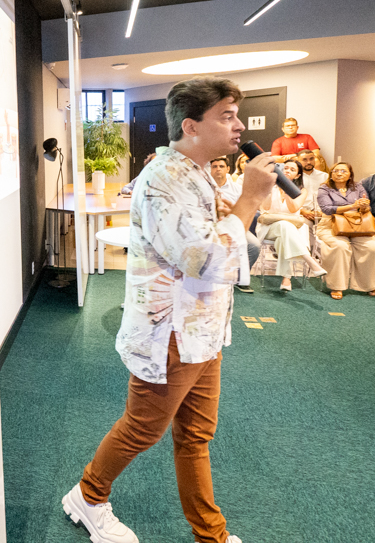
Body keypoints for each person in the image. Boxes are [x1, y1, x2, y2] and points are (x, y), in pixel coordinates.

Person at [62, 76, 275, 543]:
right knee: (142, 429)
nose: (240, 126)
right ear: (191, 126)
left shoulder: (198, 172)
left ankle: (211, 535)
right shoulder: (163, 180)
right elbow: (204, 259)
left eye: (237, 115)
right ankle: (88, 496)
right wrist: (250, 199)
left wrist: (240, 202)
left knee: (195, 436)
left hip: (205, 328)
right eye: (227, 116)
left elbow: (221, 239)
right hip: (170, 332)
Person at [315, 162, 375, 300]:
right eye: (336, 171)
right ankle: (337, 286)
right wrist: (352, 206)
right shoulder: (324, 188)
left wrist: (364, 206)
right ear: (331, 174)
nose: (339, 173)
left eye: (343, 171)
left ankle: (369, 284)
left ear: (350, 175)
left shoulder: (358, 187)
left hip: (357, 225)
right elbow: (326, 209)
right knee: (340, 246)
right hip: (330, 225)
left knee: (372, 247)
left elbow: (366, 207)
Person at [256, 158, 326, 291]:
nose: (287, 171)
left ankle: (286, 279)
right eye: (285, 168)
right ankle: (309, 260)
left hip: (292, 229)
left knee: (283, 235)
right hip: (269, 227)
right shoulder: (267, 185)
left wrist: (286, 188)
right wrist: (270, 187)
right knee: (284, 225)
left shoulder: (302, 191)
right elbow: (265, 207)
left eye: (292, 170)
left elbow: (293, 209)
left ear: (298, 175)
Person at [210, 156, 260, 293]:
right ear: (210, 169)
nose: (218, 169)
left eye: (221, 166)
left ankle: (239, 277)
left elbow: (247, 210)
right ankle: (213, 277)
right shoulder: (204, 187)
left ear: (228, 169)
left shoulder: (238, 189)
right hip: (210, 226)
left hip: (234, 225)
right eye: (214, 166)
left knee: (254, 245)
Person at [296, 149, 328, 221]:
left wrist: (323, 211)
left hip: (322, 214)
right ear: (298, 161)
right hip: (302, 214)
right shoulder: (294, 177)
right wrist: (301, 211)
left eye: (311, 159)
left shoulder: (325, 177)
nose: (309, 162)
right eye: (304, 160)